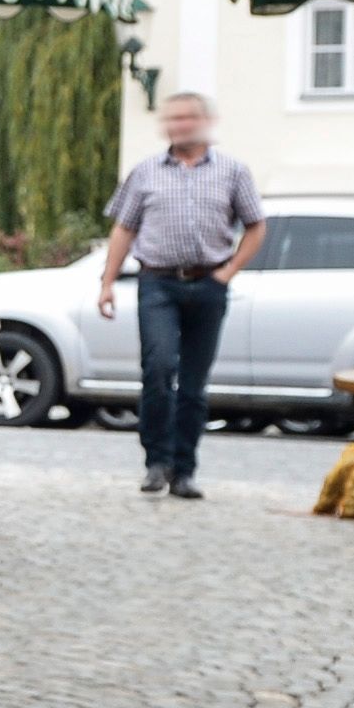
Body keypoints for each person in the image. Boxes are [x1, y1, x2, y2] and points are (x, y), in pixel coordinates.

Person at [97, 89, 266, 502]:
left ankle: (185, 470)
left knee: (194, 385)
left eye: (187, 118)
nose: (179, 125)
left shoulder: (233, 172)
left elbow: (256, 226)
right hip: (158, 283)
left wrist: (227, 272)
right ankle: (156, 462)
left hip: (208, 284)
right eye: (172, 119)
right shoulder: (145, 173)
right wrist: (107, 281)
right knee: (157, 369)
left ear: (205, 122)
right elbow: (124, 228)